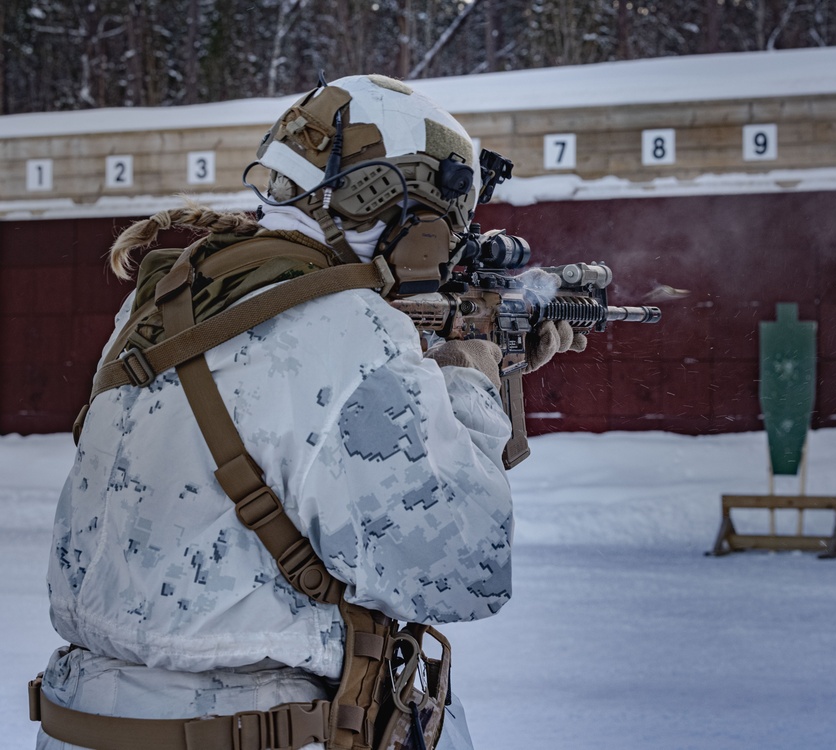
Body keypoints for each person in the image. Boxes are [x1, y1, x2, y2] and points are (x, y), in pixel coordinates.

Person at [34, 74, 580, 750]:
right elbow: (461, 571)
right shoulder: (349, 328)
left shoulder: (167, 299)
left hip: (89, 721)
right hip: (254, 726)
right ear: (405, 211)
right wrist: (470, 379)